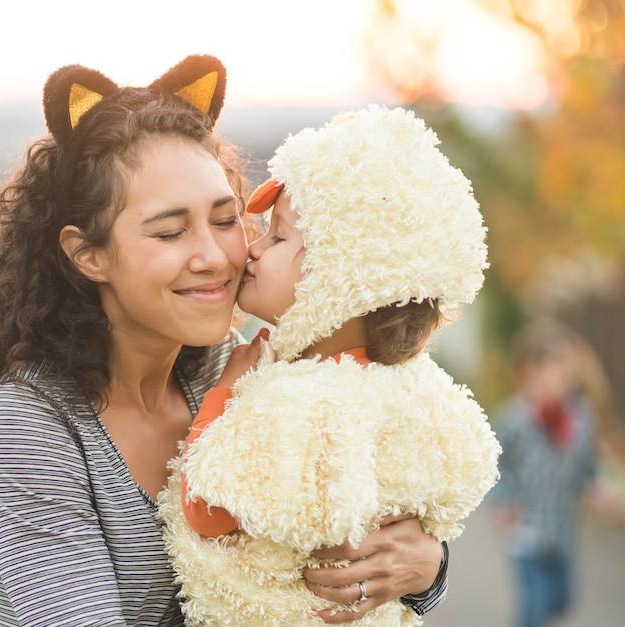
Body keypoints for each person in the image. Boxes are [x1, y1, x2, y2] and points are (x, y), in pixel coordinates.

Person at [0, 56, 448, 626]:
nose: (215, 257)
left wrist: (425, 569)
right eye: (170, 231)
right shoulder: (31, 426)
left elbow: (349, 524)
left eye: (224, 220)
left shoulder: (233, 370)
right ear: (87, 253)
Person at [160, 105, 501, 626]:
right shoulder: (414, 390)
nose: (250, 249)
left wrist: (224, 393)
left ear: (333, 278)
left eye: (276, 238)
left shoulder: (296, 401)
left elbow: (207, 510)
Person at [489, 319, 614, 627]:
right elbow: (496, 464)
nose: (562, 377)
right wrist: (505, 500)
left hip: (564, 529)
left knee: (561, 600)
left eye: (567, 370)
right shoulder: (514, 419)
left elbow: (588, 459)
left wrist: (595, 485)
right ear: (530, 372)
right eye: (553, 367)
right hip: (527, 528)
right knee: (535, 606)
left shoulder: (581, 416)